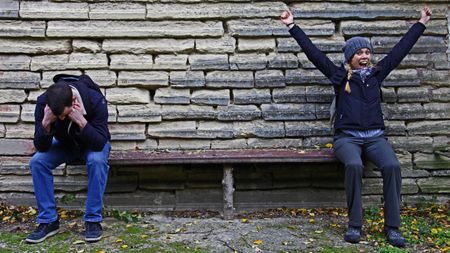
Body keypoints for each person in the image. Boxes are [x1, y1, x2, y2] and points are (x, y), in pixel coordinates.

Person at [280, 6, 432, 247]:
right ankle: (354, 224)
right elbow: (314, 53)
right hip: (346, 139)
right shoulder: (339, 76)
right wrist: (292, 25)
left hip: (375, 139)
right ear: (350, 57)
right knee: (353, 164)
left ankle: (392, 227)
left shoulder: (377, 75)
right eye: (359, 52)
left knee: (392, 166)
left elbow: (400, 50)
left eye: (367, 52)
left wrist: (421, 23)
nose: (365, 56)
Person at [26, 74, 111, 244]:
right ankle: (48, 221)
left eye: (64, 114)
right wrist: (45, 123)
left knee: (97, 161)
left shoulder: (95, 99)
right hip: (66, 144)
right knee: (37, 162)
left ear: (73, 102)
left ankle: (93, 221)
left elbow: (100, 142)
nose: (62, 119)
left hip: (92, 142)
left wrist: (81, 121)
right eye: (59, 117)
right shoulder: (43, 103)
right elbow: (41, 146)